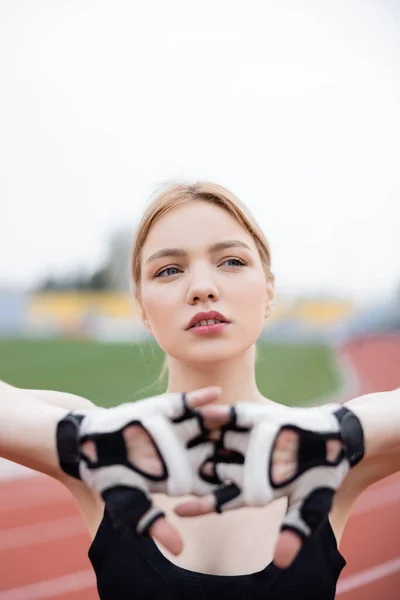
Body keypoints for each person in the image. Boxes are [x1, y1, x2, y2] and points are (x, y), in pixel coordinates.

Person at [1, 181, 399, 600]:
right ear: (142, 310)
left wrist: (340, 435)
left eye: (230, 261)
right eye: (169, 270)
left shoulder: (330, 452)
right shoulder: (95, 442)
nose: (201, 287)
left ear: (268, 292)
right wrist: (78, 439)